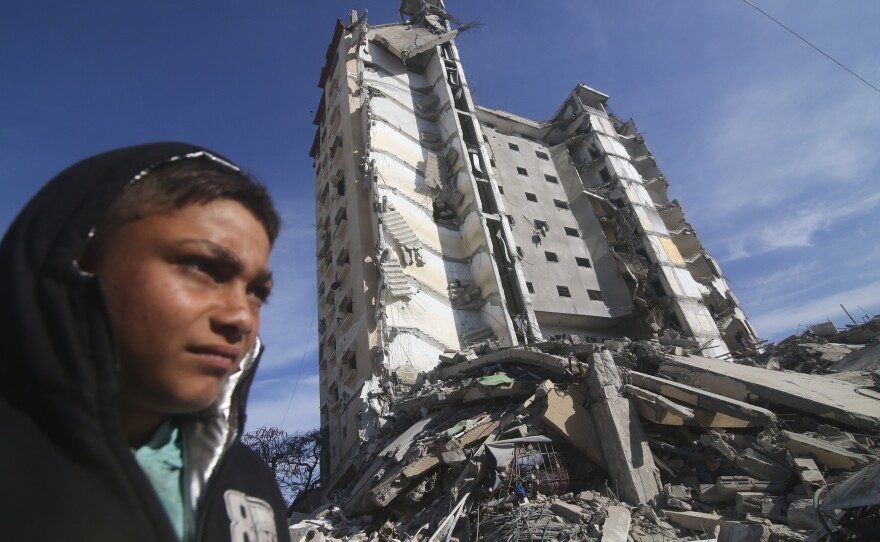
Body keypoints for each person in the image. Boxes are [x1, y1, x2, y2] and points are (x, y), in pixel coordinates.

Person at [0, 143, 291, 542]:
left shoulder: (250, 485)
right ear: (79, 263)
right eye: (202, 267)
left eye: (258, 291)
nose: (240, 317)